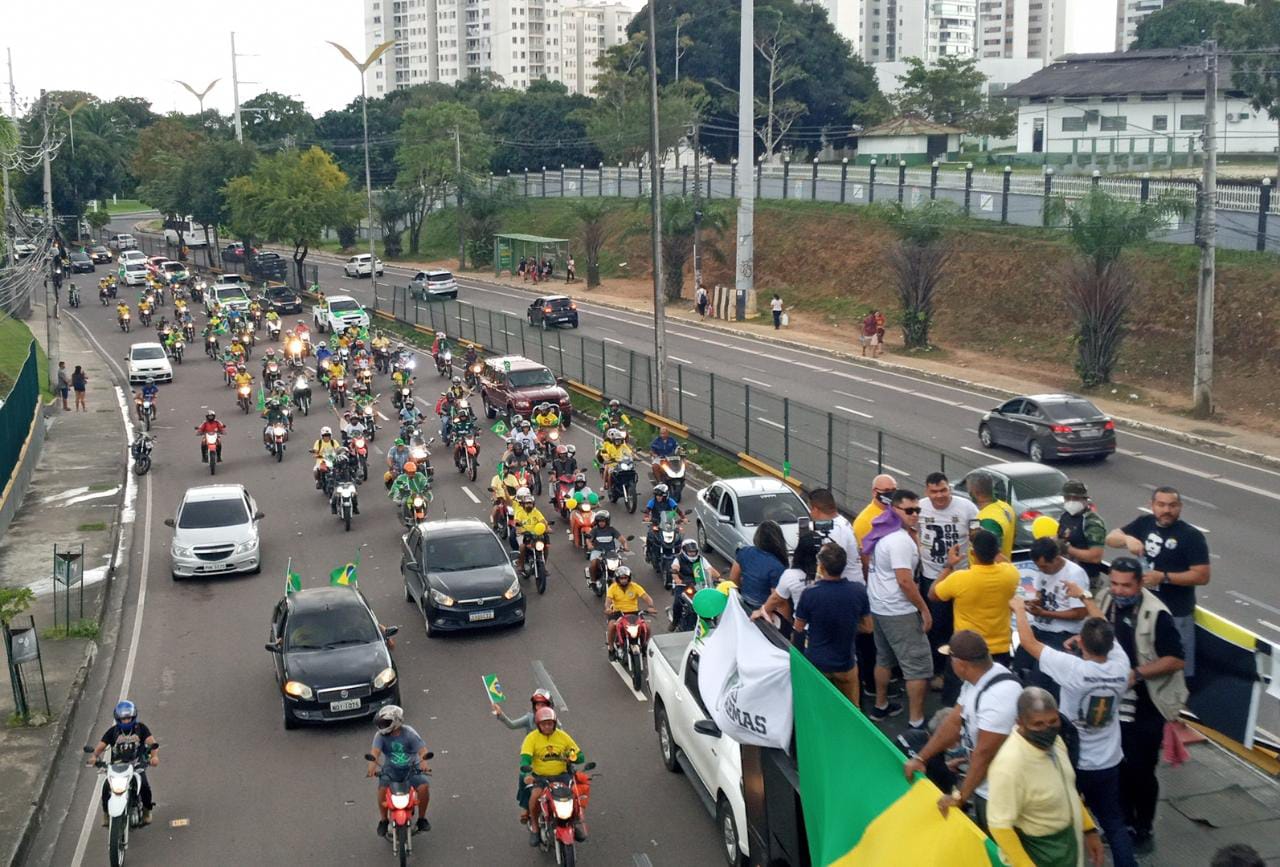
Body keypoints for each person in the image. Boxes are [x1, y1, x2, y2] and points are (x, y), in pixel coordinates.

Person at [1071, 557, 1186, 857]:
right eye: (1115, 584)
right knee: (1116, 767)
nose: (1119, 591)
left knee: (1141, 771)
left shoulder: (1157, 614)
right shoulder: (1105, 599)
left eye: (1126, 585)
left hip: (1144, 705)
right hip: (1111, 701)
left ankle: (1144, 828)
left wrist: (1136, 674)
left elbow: (1175, 659)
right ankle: (1121, 823)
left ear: (1140, 583)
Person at [1011, 603, 1134, 867]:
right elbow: (1105, 628)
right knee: (1113, 822)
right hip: (1108, 760)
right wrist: (1085, 597)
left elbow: (1029, 642)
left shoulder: (1073, 670)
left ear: (1083, 646)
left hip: (1073, 761)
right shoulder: (1121, 666)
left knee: (1069, 818)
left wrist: (1019, 609)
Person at [902, 631, 1020, 830]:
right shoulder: (976, 682)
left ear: (961, 664)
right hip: (984, 789)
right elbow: (954, 722)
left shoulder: (999, 697)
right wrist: (921, 758)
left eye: (951, 659)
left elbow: (984, 754)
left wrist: (960, 796)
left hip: (1003, 797)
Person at [986, 688, 1104, 867]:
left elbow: (1068, 788)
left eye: (1053, 721)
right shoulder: (1009, 766)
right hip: (1041, 851)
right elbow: (1000, 826)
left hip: (1069, 843)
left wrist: (1089, 830)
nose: (1047, 729)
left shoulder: (1055, 742)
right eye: (1038, 724)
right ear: (1020, 723)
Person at [1106, 486, 1209, 677]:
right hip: (1143, 612)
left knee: (1174, 668)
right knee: (1143, 660)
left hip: (1175, 613)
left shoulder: (1191, 536)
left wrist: (1164, 577)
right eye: (1161, 505)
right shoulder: (1144, 523)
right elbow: (1111, 538)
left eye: (1172, 505)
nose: (1166, 510)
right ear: (1152, 505)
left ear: (1180, 507)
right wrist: (1127, 539)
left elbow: (1202, 576)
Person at [929, 530, 1021, 705]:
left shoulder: (960, 578)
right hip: (999, 651)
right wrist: (990, 546)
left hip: (965, 651)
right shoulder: (1010, 574)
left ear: (972, 553)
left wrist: (949, 565)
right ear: (997, 552)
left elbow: (933, 594)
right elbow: (1006, 562)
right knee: (994, 701)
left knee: (956, 703)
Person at [866, 490, 932, 728]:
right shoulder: (900, 541)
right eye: (909, 511)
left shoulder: (884, 534)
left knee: (884, 658)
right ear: (895, 509)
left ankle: (880, 706)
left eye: (918, 510)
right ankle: (917, 721)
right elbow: (905, 581)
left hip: (879, 606)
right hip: (899, 610)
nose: (915, 515)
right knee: (917, 667)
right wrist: (924, 609)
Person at [792, 543, 871, 707]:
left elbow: (798, 627)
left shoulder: (810, 594)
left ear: (821, 566)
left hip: (817, 664)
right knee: (852, 712)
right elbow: (868, 627)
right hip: (846, 664)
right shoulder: (858, 591)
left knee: (819, 709)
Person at [919, 472, 978, 687]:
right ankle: (938, 671)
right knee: (936, 627)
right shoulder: (920, 507)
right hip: (932, 576)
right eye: (934, 491)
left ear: (949, 489)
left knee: (960, 626)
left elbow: (976, 536)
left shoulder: (967, 508)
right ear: (927, 491)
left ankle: (959, 671)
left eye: (943, 490)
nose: (939, 495)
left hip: (960, 577)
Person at [1017, 537, 1090, 698]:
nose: (1041, 570)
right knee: (1018, 670)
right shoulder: (1041, 570)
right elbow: (1040, 594)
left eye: (1044, 566)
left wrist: (1045, 613)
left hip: (1061, 635)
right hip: (1040, 629)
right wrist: (1034, 604)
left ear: (1056, 558)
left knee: (1039, 680)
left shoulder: (1074, 574)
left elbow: (1080, 613)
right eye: (1038, 567)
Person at [519, 707, 586, 845]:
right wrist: (526, 774)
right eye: (544, 724)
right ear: (538, 725)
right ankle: (535, 828)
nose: (547, 726)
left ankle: (574, 823)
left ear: (554, 723)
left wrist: (572, 757)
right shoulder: (531, 738)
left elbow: (579, 756)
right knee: (534, 797)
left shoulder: (563, 736)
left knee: (575, 795)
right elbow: (525, 759)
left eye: (550, 723)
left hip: (562, 776)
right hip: (541, 778)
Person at [87, 700, 158, 827]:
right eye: (123, 719)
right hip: (117, 767)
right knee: (106, 789)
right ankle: (106, 813)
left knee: (145, 787)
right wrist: (94, 757)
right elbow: (101, 746)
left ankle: (147, 811)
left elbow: (152, 743)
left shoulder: (141, 729)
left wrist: (154, 757)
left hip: (136, 766)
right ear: (118, 718)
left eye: (128, 718)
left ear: (133, 717)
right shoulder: (113, 732)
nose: (126, 721)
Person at [366, 705, 431, 837]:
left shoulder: (410, 734)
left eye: (385, 723)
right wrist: (372, 766)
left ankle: (422, 819)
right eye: (381, 723)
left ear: (396, 721)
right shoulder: (380, 736)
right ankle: (384, 820)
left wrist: (424, 762)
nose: (382, 726)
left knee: (423, 787)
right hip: (390, 769)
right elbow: (375, 752)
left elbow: (423, 751)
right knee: (382, 790)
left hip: (412, 768)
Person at [494, 689, 556, 824]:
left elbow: (565, 743)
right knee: (524, 777)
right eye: (537, 704)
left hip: (552, 760)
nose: (540, 707)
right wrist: (500, 714)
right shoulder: (529, 719)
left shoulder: (555, 722)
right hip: (533, 760)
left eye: (543, 704)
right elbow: (512, 725)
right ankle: (526, 808)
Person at [754, 531, 823, 636]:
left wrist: (762, 610)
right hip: (828, 627)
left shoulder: (790, 575)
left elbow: (776, 599)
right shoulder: (827, 573)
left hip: (803, 628)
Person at [1057, 480, 1107, 592]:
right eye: (1067, 498)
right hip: (1065, 577)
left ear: (1085, 499)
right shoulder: (1065, 517)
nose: (1071, 502)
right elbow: (1061, 539)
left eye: (1075, 499)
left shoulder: (1092, 522)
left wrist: (1067, 549)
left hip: (1086, 581)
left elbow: (1095, 557)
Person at [728, 520, 788, 611]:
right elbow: (778, 601)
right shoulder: (777, 566)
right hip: (765, 611)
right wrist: (787, 622)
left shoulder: (744, 552)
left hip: (744, 604)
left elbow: (733, 579)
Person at [853, 474, 897, 577]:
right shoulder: (864, 521)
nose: (891, 494)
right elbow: (864, 559)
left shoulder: (897, 511)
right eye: (886, 491)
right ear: (874, 492)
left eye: (894, 490)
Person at [604, 566, 656, 651]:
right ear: (617, 579)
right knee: (611, 626)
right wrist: (607, 608)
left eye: (626, 578)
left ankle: (644, 644)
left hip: (634, 613)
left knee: (647, 627)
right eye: (621, 578)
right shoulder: (613, 588)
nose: (624, 580)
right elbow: (608, 601)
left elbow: (647, 597)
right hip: (618, 613)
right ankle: (611, 647)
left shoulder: (635, 586)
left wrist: (650, 606)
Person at [967, 472, 1015, 564]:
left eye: (969, 491)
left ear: (976, 493)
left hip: (985, 575)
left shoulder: (987, 522)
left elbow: (990, 557)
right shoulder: (1006, 507)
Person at [586, 509, 627, 586]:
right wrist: (589, 545)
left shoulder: (611, 529)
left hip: (610, 552)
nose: (601, 523)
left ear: (607, 521)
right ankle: (593, 581)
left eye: (603, 521)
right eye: (599, 521)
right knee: (593, 564)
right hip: (597, 551)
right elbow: (589, 539)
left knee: (621, 565)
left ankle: (624, 582)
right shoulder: (595, 530)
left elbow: (622, 539)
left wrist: (625, 546)